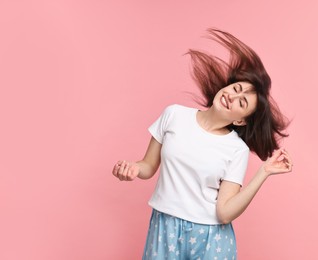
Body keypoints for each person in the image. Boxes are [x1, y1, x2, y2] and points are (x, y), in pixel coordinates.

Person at [112, 28, 293, 260]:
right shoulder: (174, 115)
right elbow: (148, 166)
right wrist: (133, 169)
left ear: (240, 119)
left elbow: (225, 213)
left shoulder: (236, 149)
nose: (233, 96)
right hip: (164, 227)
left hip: (211, 239)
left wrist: (264, 172)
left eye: (242, 102)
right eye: (236, 88)